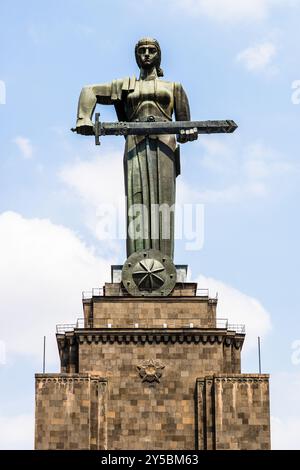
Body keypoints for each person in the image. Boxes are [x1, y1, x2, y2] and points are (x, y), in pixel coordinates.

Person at [75, 37, 197, 260]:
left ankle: (163, 261)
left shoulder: (174, 88)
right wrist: (84, 118)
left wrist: (188, 132)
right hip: (135, 144)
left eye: (152, 50)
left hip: (164, 144)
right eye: (142, 51)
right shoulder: (126, 85)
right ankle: (137, 261)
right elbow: (88, 90)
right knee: (136, 198)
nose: (147, 54)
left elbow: (185, 125)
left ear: (159, 55)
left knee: (164, 203)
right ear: (136, 56)